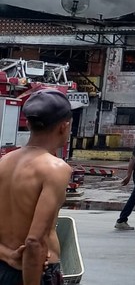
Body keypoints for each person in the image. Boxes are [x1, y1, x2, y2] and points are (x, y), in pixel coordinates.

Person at [0, 89, 74, 284]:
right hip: (35, 273)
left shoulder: (3, 162)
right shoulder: (56, 169)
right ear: (64, 126)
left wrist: (7, 254)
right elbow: (34, 242)